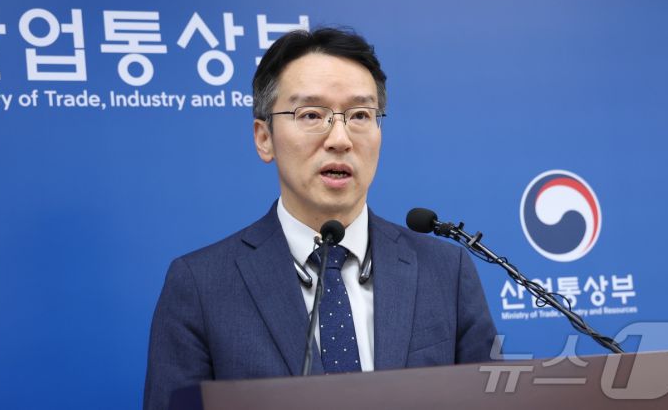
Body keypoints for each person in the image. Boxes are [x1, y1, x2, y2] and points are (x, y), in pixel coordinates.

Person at [144, 27, 496, 409]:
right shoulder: (201, 285)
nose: (340, 139)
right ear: (264, 138)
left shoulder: (445, 270)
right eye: (311, 114)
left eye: (360, 115)